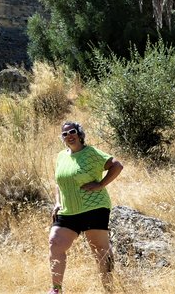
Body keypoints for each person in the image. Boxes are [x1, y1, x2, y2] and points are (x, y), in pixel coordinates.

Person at [48, 121, 123, 294]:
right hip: (68, 210)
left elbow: (117, 166)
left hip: (94, 207)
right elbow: (59, 183)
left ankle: (109, 288)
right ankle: (56, 289)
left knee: (99, 250)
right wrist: (58, 202)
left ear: (80, 134)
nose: (69, 136)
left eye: (72, 132)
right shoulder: (61, 156)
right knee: (55, 242)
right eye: (65, 134)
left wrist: (101, 184)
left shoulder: (91, 153)